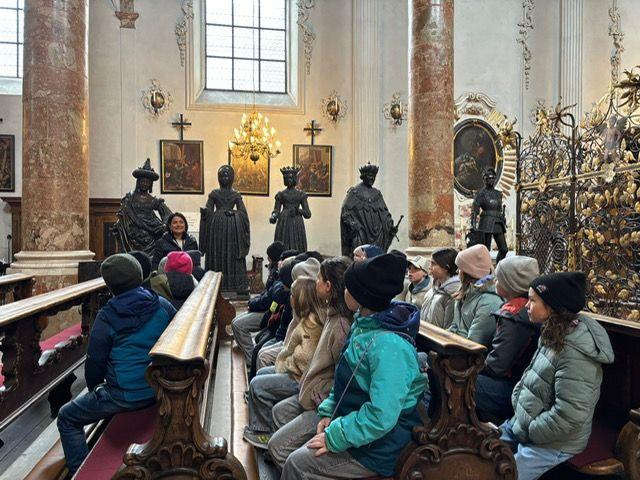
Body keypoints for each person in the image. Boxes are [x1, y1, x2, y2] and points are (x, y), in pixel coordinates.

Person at [281, 252, 426, 480]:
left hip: (380, 447)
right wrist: (330, 411)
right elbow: (345, 381)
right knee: (288, 447)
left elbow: (381, 415)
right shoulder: (364, 325)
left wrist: (336, 436)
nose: (344, 291)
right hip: (356, 426)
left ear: (362, 296)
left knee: (297, 464)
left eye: (348, 288)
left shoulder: (390, 346)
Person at [56, 254, 176, 474]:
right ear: (139, 276)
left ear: (109, 286)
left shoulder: (106, 317)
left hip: (123, 395)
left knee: (66, 417)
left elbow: (95, 363)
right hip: (159, 389)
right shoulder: (161, 304)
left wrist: (95, 389)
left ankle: (80, 473)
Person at [500, 272, 614, 480]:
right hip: (524, 425)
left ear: (553, 307)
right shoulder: (554, 333)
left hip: (554, 442)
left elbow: (569, 415)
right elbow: (532, 377)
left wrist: (531, 430)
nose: (527, 305)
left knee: (501, 474)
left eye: (533, 300)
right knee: (477, 452)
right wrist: (518, 403)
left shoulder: (575, 351)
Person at [268, 256, 353, 469]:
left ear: (328, 286)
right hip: (311, 391)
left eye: (318, 279)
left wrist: (322, 397)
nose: (315, 282)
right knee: (279, 412)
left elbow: (344, 376)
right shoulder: (331, 313)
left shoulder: (341, 325)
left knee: (278, 447)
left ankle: (292, 465)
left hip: (322, 401)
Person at [243, 273, 325, 448]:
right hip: (294, 371)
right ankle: (263, 423)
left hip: (301, 379)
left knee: (258, 385)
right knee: (261, 372)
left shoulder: (312, 325)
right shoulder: (301, 318)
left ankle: (263, 432)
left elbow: (304, 359)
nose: (289, 298)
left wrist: (287, 362)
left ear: (300, 299)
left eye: (292, 295)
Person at [475, 255, 540, 424]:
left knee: (456, 381)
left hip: (514, 388)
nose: (495, 281)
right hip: (521, 384)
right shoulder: (526, 307)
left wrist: (470, 366)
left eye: (499, 278)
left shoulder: (514, 315)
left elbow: (497, 366)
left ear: (511, 284)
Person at [231, 241, 285, 365]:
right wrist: (253, 302)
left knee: (238, 325)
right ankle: (250, 356)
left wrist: (253, 304)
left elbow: (269, 300)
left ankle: (251, 359)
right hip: (265, 309)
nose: (267, 259)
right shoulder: (275, 271)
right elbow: (266, 293)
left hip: (268, 313)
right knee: (235, 322)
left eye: (269, 256)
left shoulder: (279, 274)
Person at [199, 165, 250, 291]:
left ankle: (234, 285)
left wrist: (234, 213)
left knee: (232, 254)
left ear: (232, 177)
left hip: (233, 230)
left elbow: (243, 213)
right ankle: (215, 285)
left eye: (226, 175)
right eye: (221, 176)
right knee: (217, 253)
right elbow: (209, 209)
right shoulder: (214, 194)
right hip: (216, 229)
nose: (224, 178)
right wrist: (205, 212)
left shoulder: (236, 195)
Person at [113, 159, 173, 257]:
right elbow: (124, 212)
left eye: (147, 182)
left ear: (150, 184)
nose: (145, 184)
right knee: (119, 226)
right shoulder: (130, 198)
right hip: (132, 230)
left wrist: (165, 225)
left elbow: (168, 215)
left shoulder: (153, 200)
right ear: (138, 182)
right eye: (143, 181)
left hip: (152, 230)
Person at [448, 244, 504, 348]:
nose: (457, 271)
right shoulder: (467, 291)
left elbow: (475, 342)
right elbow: (454, 327)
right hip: (456, 348)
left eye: (460, 268)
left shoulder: (489, 302)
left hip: (468, 354)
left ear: (469, 272)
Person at [340, 163, 397, 256]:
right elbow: (345, 210)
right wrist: (353, 224)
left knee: (377, 254)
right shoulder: (354, 192)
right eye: (370, 176)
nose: (372, 178)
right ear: (363, 176)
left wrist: (389, 223)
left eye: (374, 176)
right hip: (361, 230)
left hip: (377, 233)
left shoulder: (377, 193)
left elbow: (384, 213)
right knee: (359, 244)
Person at [470, 168, 508, 263]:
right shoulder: (481, 194)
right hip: (486, 222)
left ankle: (498, 268)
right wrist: (473, 224)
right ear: (484, 179)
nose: (490, 180)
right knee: (485, 250)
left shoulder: (498, 194)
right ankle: (485, 269)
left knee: (504, 249)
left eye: (492, 178)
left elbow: (499, 209)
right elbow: (475, 209)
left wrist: (503, 218)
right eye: (488, 178)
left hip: (498, 222)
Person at [270, 166, 312, 252]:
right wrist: (273, 216)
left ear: (295, 179)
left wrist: (298, 211)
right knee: (283, 245)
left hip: (296, 223)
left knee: (297, 246)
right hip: (284, 223)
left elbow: (308, 214)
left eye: (290, 178)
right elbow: (276, 210)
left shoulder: (300, 194)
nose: (289, 180)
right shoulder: (281, 194)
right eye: (286, 178)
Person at [420, 248, 460, 328]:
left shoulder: (453, 294)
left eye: (433, 263)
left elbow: (450, 326)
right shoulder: (434, 288)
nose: (429, 267)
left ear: (446, 267)